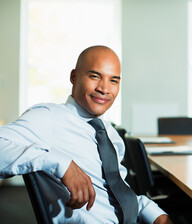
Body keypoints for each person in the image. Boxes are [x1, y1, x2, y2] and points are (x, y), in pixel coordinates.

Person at [0, 46, 173, 224]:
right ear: (73, 77)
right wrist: (60, 163)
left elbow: (117, 193)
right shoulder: (49, 117)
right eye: (95, 76)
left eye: (113, 81)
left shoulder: (110, 134)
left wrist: (150, 210)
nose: (104, 89)